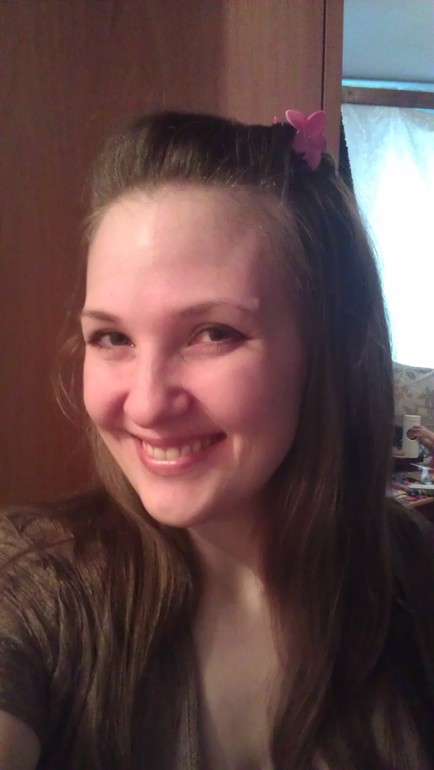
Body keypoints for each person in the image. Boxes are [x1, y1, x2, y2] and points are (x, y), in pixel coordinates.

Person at [1, 110, 433, 770]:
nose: (146, 403)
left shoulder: (415, 581)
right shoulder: (33, 580)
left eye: (213, 333)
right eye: (112, 337)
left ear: (329, 350)